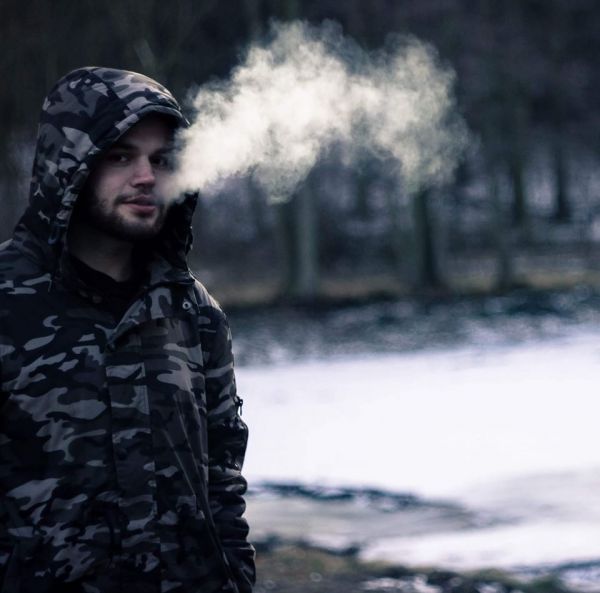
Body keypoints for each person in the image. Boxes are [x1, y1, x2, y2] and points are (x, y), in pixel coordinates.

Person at [0, 67, 255, 593]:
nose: (146, 177)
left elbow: (223, 482)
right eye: (120, 157)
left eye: (161, 160)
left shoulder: (194, 313)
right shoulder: (8, 301)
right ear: (68, 165)